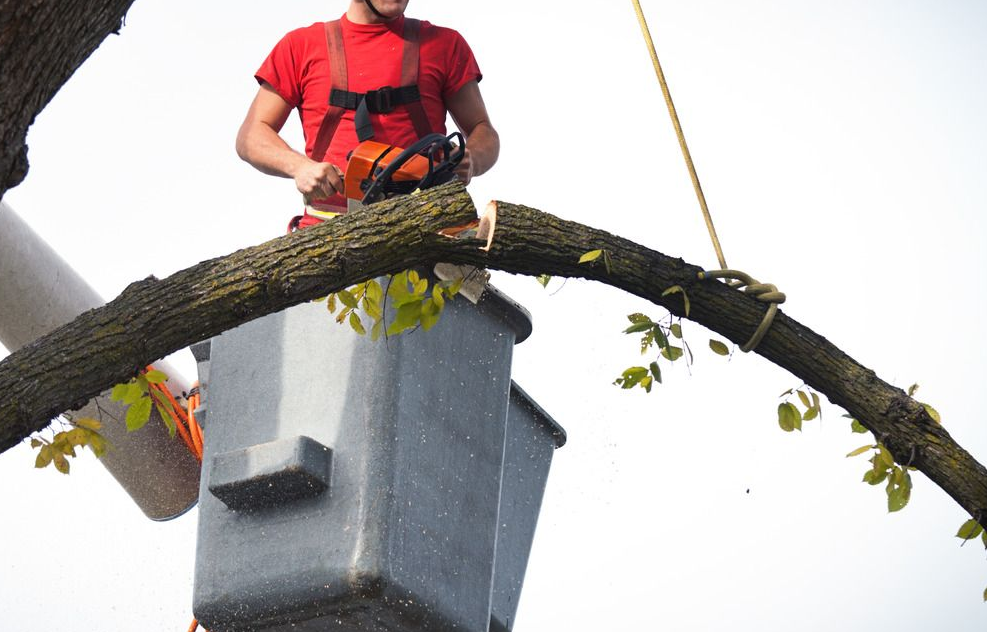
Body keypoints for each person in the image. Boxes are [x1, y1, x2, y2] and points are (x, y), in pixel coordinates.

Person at [236, 0, 499, 226]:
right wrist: (300, 168)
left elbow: (483, 130)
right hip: (329, 232)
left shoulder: (444, 45)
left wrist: (472, 159)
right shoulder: (301, 46)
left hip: (426, 227)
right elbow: (251, 136)